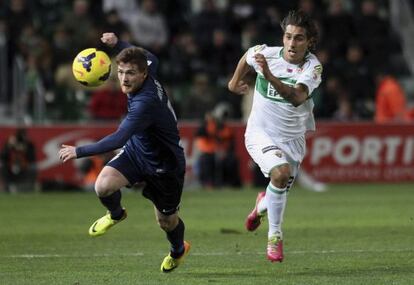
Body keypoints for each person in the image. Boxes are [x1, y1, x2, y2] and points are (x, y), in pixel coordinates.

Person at [58, 32, 190, 272]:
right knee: (103, 186)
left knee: (166, 222)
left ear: (143, 74)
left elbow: (118, 138)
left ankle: (178, 250)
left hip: (165, 165)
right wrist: (118, 43)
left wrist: (79, 151)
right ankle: (116, 214)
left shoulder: (145, 103)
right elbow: (146, 56)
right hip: (138, 152)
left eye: (130, 73)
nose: (124, 79)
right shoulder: (150, 64)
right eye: (120, 72)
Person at [228, 10, 322, 263]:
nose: (292, 43)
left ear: (309, 42)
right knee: (279, 174)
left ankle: (260, 207)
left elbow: (297, 97)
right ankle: (275, 237)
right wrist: (234, 82)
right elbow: (247, 55)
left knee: (277, 188)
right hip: (260, 133)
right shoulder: (266, 53)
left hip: (292, 141)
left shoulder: (313, 67)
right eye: (288, 36)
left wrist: (269, 76)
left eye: (299, 38)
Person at [1, 128, 37, 193]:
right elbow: (3, 156)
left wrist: (24, 148)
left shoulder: (29, 144)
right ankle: (7, 187)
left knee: (33, 167)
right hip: (10, 166)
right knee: (2, 166)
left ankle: (28, 187)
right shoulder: (10, 144)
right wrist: (9, 146)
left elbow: (32, 158)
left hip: (24, 166)